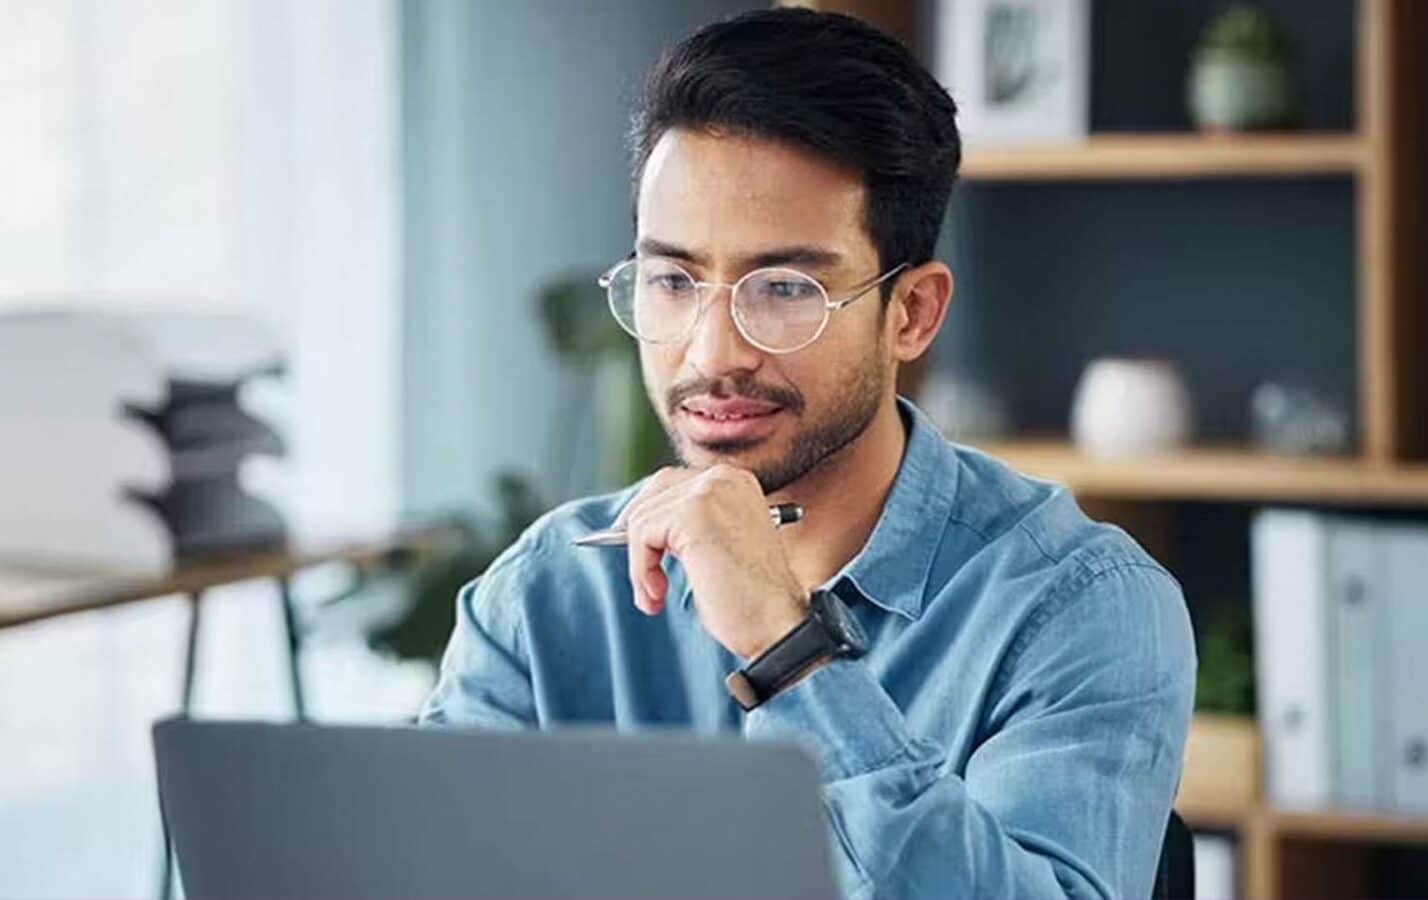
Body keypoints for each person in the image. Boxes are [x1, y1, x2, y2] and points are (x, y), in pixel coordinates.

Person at [421, 8, 1194, 898]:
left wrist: (788, 651)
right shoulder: (545, 596)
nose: (712, 354)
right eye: (673, 281)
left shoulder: (1080, 608)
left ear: (911, 314)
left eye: (784, 288)